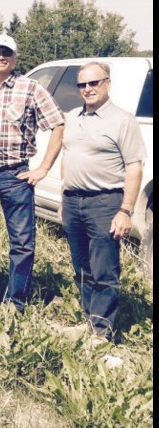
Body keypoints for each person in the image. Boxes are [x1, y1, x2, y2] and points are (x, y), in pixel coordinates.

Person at [0, 34, 64, 310]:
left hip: (16, 176)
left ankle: (16, 299)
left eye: (5, 52)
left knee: (21, 242)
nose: (0, 57)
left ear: (14, 57)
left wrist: (43, 168)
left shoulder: (31, 88)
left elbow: (58, 123)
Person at [61, 61, 145, 340]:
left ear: (107, 83)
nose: (88, 89)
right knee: (81, 267)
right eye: (82, 84)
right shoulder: (73, 117)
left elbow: (134, 167)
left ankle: (101, 331)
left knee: (104, 270)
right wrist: (64, 195)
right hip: (73, 202)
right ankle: (88, 321)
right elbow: (68, 157)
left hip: (105, 202)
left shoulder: (123, 121)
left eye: (94, 83)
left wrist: (125, 210)